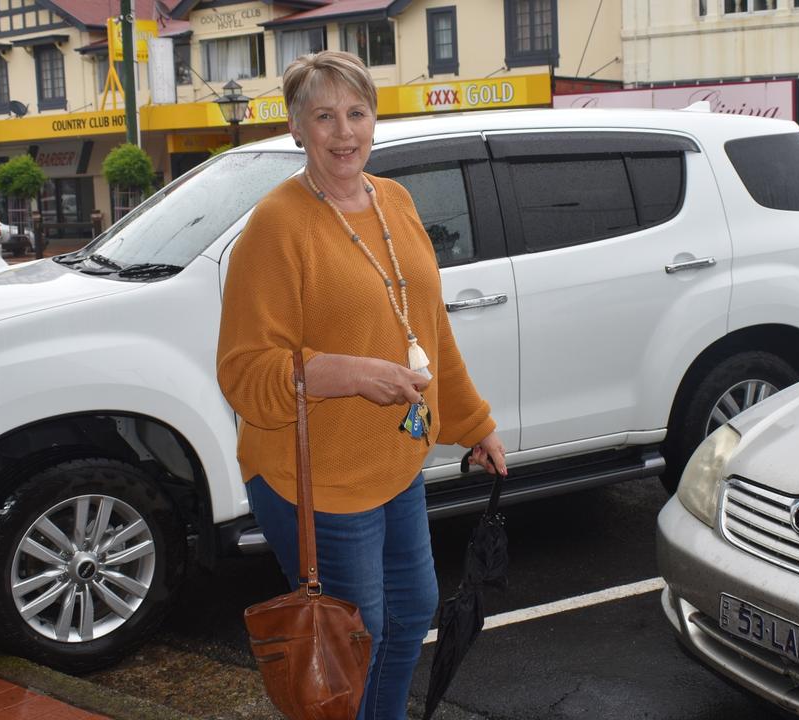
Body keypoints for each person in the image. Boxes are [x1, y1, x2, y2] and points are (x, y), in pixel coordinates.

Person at [216, 50, 507, 720]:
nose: (343, 131)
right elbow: (243, 370)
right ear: (297, 128)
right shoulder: (275, 225)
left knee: (411, 613)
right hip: (313, 475)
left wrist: (473, 422)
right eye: (324, 116)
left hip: (394, 459)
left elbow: (429, 332)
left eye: (356, 112)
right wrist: (340, 372)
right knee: (356, 638)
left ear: (375, 120)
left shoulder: (395, 201)